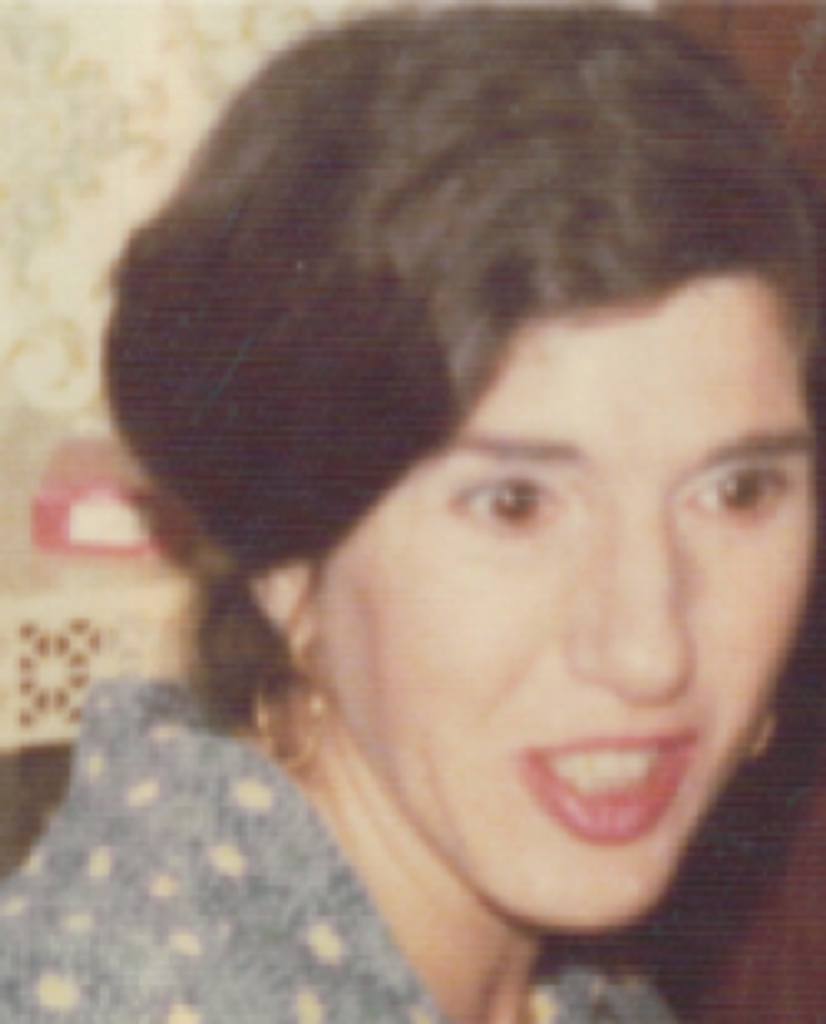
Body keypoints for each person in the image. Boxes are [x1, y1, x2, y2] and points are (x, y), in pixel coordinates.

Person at [0, 6, 819, 1022]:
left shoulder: (549, 976)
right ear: (286, 552)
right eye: (515, 505)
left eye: (737, 492)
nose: (650, 651)